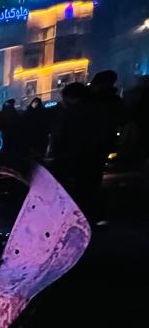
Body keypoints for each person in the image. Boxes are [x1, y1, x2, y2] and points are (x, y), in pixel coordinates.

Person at [50, 81, 109, 225]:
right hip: (92, 157)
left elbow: (61, 136)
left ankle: (76, 222)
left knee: (76, 190)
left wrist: (56, 154)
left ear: (72, 98)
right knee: (90, 188)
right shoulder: (98, 110)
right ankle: (89, 219)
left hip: (75, 158)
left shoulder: (73, 114)